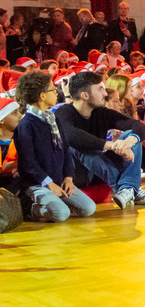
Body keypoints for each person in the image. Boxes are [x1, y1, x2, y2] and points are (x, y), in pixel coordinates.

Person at [54, 71, 145, 209]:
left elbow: (139, 126)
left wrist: (128, 142)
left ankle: (127, 189)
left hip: (100, 171)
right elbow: (72, 136)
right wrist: (111, 145)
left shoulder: (101, 112)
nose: (105, 94)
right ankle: (128, 189)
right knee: (79, 147)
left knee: (130, 135)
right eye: (100, 89)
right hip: (77, 175)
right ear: (85, 95)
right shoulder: (64, 112)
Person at [13, 72, 96, 222]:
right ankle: (28, 207)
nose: (57, 92)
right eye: (53, 89)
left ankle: (56, 201)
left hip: (59, 181)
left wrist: (68, 178)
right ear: (42, 96)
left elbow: (65, 150)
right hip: (38, 183)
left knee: (88, 208)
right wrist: (49, 184)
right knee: (61, 214)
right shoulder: (26, 124)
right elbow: (28, 162)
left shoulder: (53, 119)